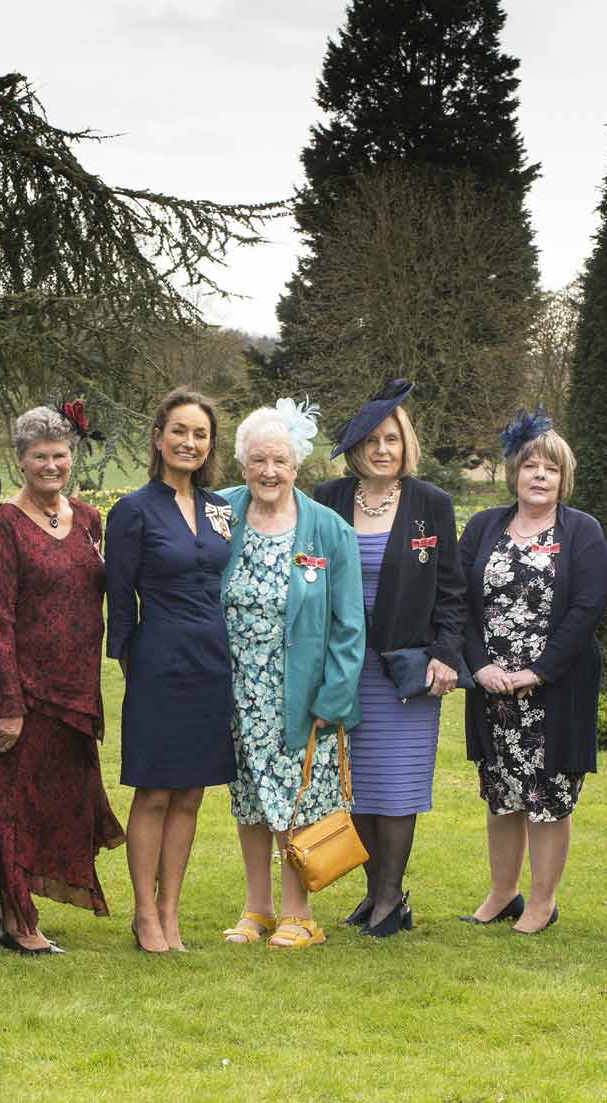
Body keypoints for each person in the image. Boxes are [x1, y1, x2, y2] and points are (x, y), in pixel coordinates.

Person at [313, 381, 464, 938]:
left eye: (393, 438)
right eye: (373, 439)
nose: (383, 449)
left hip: (405, 669)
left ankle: (389, 899)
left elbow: (452, 590)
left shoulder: (431, 504)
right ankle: (376, 894)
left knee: (397, 785)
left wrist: (446, 655)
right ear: (356, 446)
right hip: (343, 666)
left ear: (407, 445)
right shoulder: (326, 499)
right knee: (357, 786)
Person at [0, 405, 126, 955]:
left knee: (63, 804)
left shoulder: (89, 519)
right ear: (20, 461)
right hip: (28, 695)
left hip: (78, 692)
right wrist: (9, 703)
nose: (51, 465)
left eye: (59, 455)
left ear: (72, 457)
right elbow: (2, 616)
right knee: (19, 803)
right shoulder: (5, 523)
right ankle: (21, 921)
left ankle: (0, 905)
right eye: (39, 456)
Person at [218, 400, 365, 950]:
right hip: (238, 689)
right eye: (258, 461)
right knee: (251, 799)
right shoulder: (222, 513)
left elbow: (350, 624)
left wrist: (335, 695)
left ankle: (299, 913)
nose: (269, 472)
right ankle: (256, 908)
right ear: (243, 465)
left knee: (298, 801)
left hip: (302, 694)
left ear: (296, 465)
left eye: (279, 460)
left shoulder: (327, 529)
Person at [457, 410, 607, 936]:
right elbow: (459, 602)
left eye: (551, 468)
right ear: (514, 474)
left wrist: (538, 672)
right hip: (493, 691)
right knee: (502, 796)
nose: (539, 476)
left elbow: (587, 608)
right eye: (530, 466)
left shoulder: (582, 531)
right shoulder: (483, 527)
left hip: (554, 692)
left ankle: (542, 902)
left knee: (547, 798)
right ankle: (503, 893)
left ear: (564, 479)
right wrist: (479, 665)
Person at [106, 389, 234, 954]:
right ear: (158, 437)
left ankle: (170, 910)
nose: (190, 442)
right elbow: (118, 599)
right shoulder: (133, 510)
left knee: (191, 793)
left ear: (210, 445)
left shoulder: (219, 508)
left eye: (200, 434)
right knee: (155, 791)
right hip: (158, 660)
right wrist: (133, 662)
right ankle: (143, 913)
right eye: (179, 431)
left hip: (212, 661)